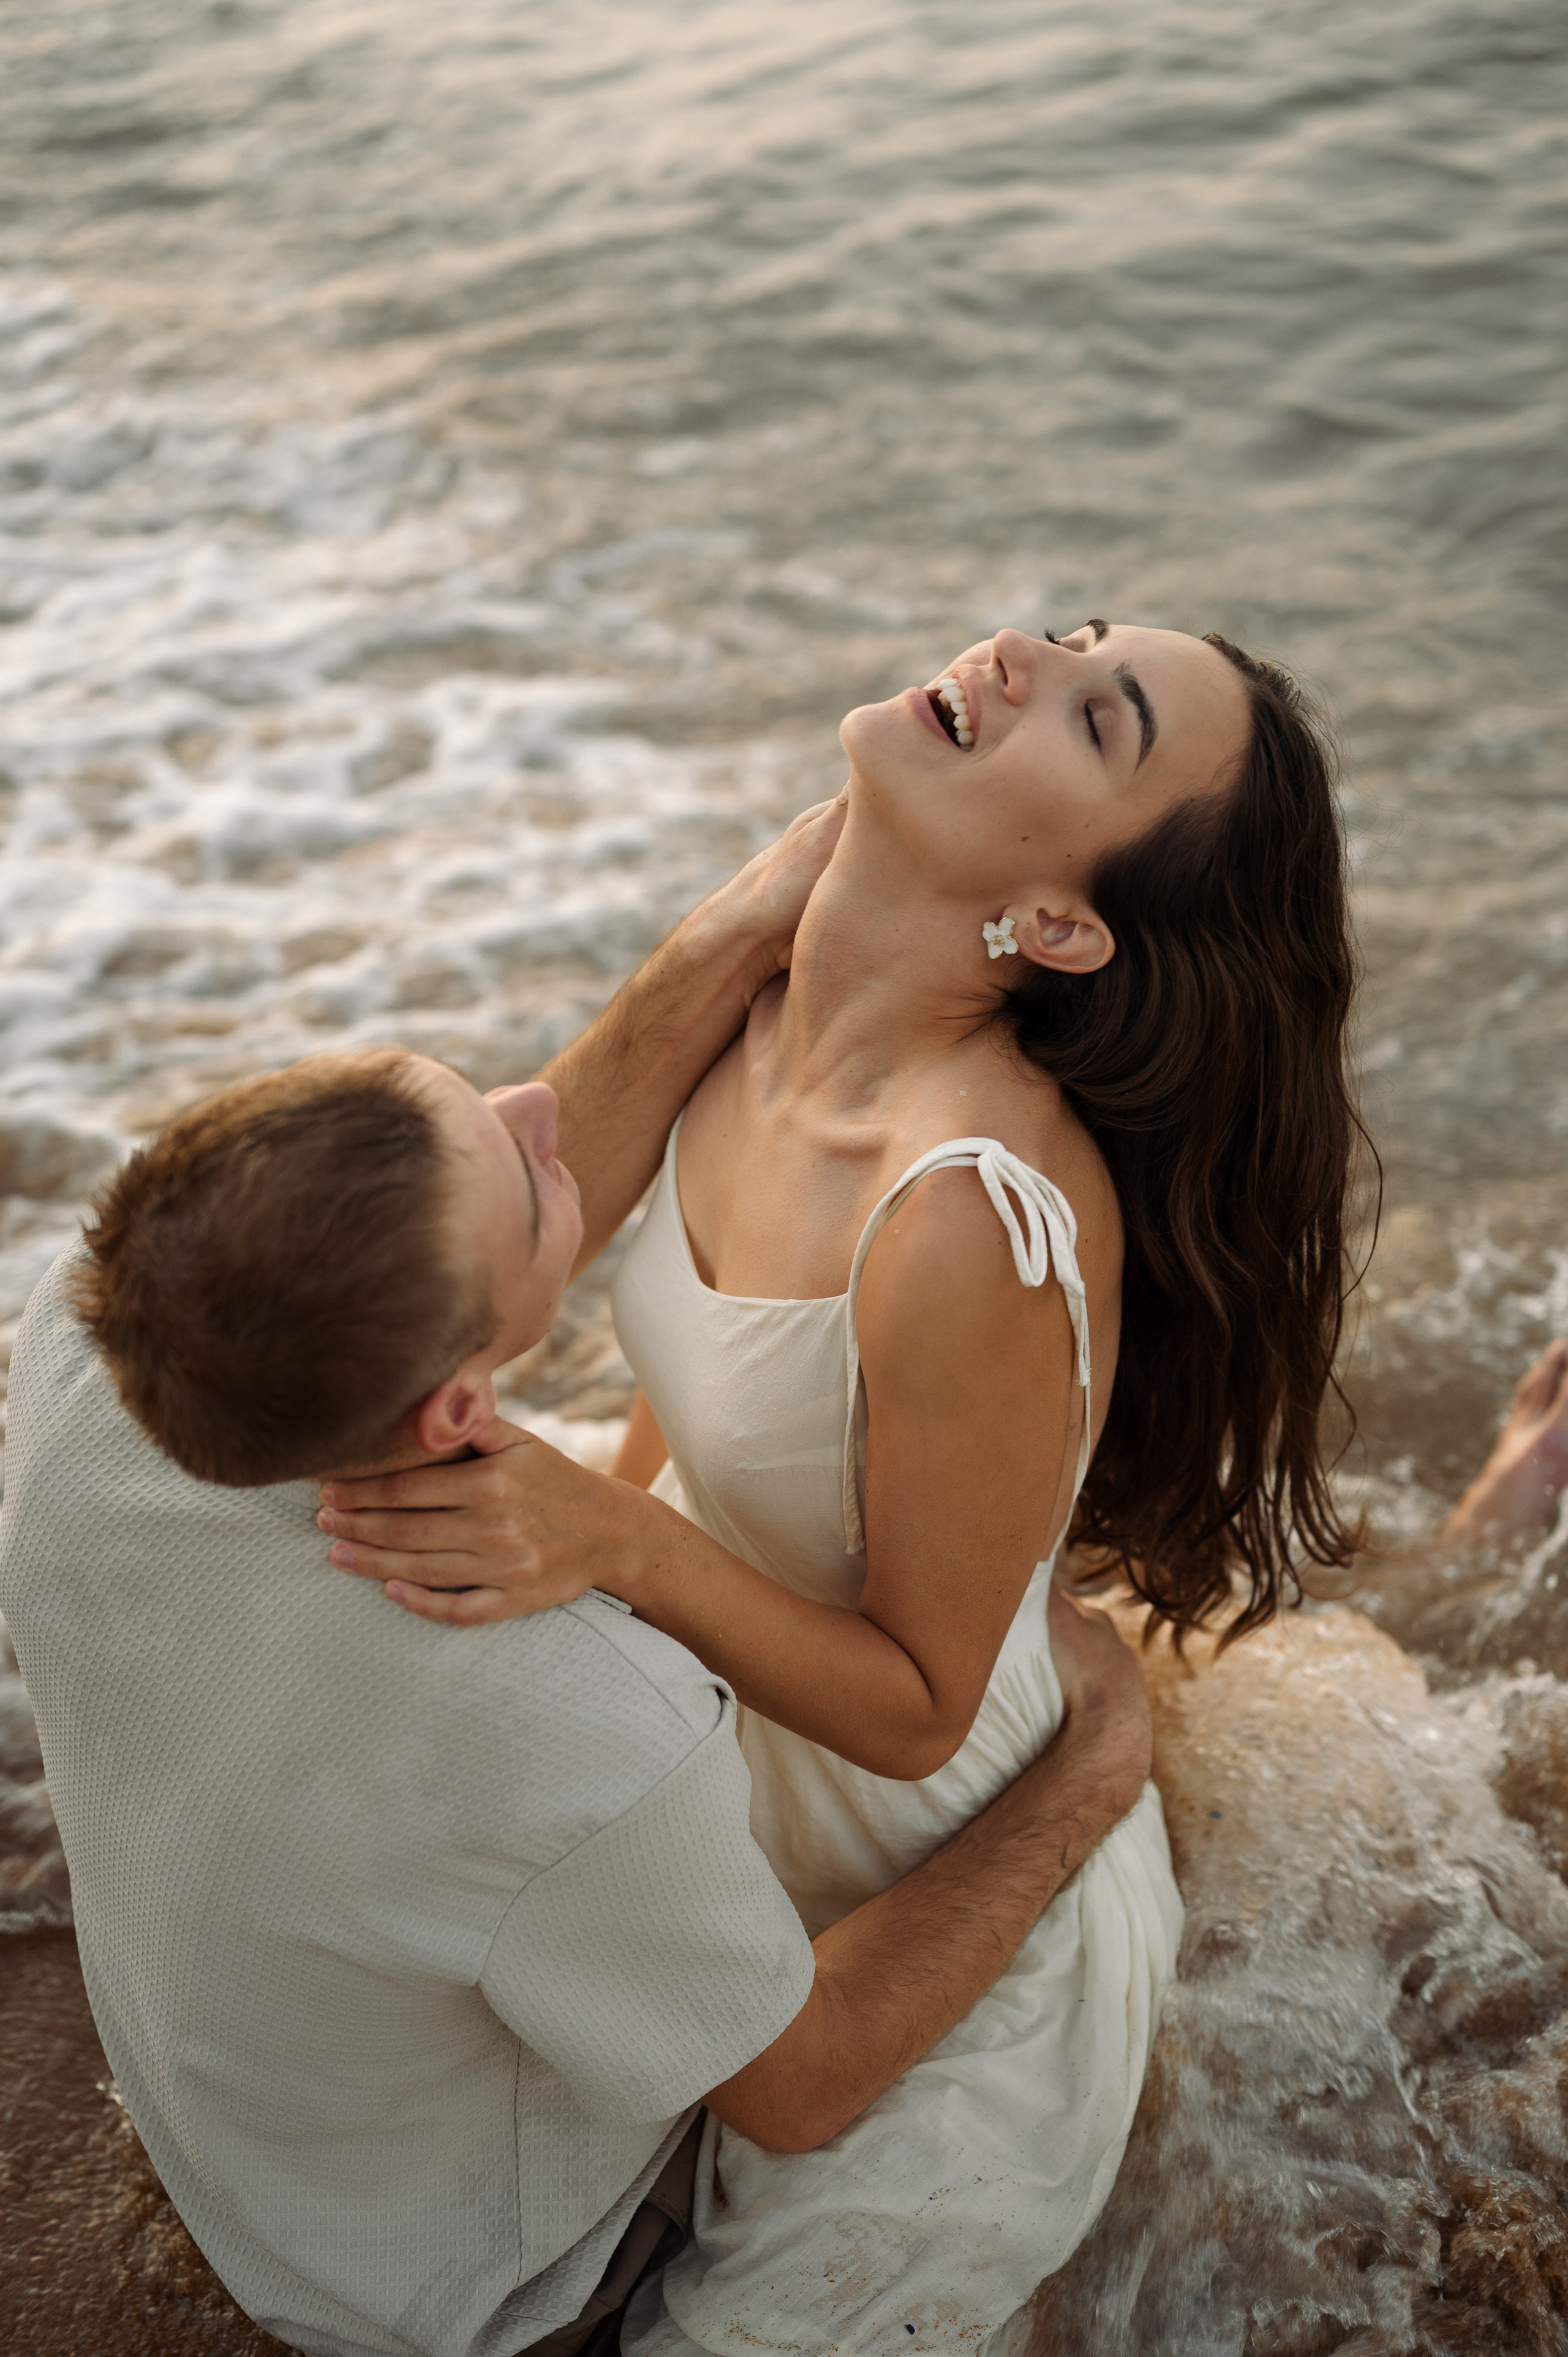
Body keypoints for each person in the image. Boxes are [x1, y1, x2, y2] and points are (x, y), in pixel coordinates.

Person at [318, 621, 1366, 2356]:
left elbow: (924, 1710)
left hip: (918, 1859)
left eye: (1100, 714)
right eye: (1082, 631)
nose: (1028, 648)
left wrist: (616, 1543)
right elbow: (672, 1379)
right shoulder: (760, 1012)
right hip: (708, 1740)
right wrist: (606, 1566)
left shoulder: (965, 1209)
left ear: (1064, 927)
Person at [0, 805, 1153, 2357]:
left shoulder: (76, 1365)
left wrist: (730, 934)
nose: (548, 1106)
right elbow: (802, 2083)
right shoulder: (578, 1718)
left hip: (234, 2100)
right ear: (456, 1416)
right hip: (444, 2270)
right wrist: (1086, 1772)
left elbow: (437, 1231)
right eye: (535, 1181)